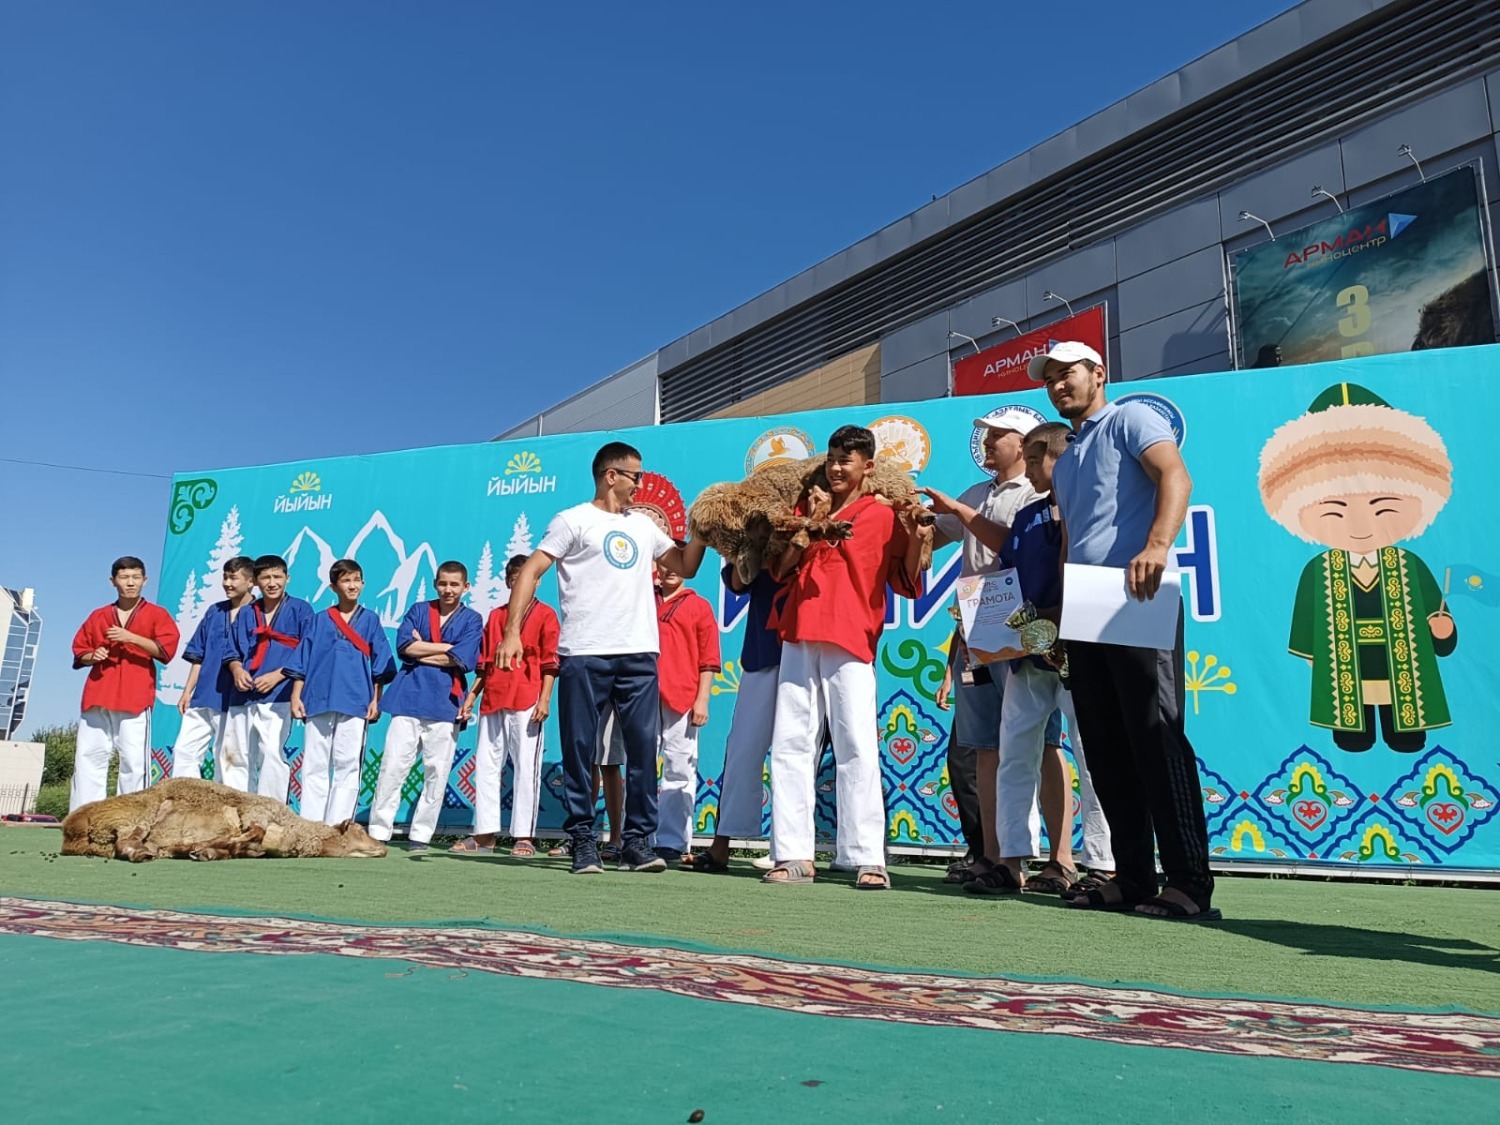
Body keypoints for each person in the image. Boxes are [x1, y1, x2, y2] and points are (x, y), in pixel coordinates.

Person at [1032, 340, 1219, 922]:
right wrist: (1061, 613)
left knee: (1154, 735)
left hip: (1137, 593)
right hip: (1086, 603)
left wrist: (1157, 546)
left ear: (1098, 372)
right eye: (1050, 378)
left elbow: (1175, 476)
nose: (1058, 385)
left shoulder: (1131, 417)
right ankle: (1133, 876)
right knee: (1104, 746)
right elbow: (1071, 541)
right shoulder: (1067, 459)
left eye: (1068, 373)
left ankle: (1189, 883)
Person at [499, 442, 706, 875]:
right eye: (636, 476)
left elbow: (685, 566)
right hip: (584, 652)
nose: (640, 485)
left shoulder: (644, 527)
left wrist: (703, 531)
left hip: (638, 654)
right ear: (612, 475)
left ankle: (637, 842)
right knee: (580, 748)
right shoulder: (572, 520)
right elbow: (531, 571)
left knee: (643, 750)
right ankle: (582, 839)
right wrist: (512, 632)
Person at [763, 425, 929, 890]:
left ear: (867, 467)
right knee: (791, 744)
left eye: (846, 460)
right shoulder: (807, 506)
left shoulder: (883, 513)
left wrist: (918, 537)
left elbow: (907, 581)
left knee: (856, 743)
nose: (836, 468)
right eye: (832, 458)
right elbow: (780, 571)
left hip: (851, 635)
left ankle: (865, 856)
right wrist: (809, 524)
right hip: (799, 630)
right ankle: (793, 854)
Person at [920, 407, 1041, 893]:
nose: (988, 444)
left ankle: (1048, 858)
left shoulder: (1035, 492)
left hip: (1023, 626)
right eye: (986, 436)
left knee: (1038, 744)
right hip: (977, 630)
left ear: (1023, 442)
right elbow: (932, 536)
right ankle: (992, 854)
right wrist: (911, 520)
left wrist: (956, 510)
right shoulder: (976, 493)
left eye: (997, 436)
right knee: (984, 745)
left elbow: (1014, 545)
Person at [990, 422, 1113, 895]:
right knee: (1015, 752)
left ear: (1059, 457)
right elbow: (1006, 579)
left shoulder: (1093, 508)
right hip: (1027, 655)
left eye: (1035, 460)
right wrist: (993, 622)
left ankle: (1103, 862)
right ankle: (1012, 858)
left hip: (1081, 652)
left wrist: (1060, 619)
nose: (1030, 470)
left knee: (1093, 753)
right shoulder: (1026, 517)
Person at [367, 561, 483, 850]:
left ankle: (420, 834)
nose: (448, 589)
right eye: (443, 583)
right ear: (435, 584)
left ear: (466, 587)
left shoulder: (472, 619)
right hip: (408, 697)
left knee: (437, 772)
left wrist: (424, 651)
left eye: (454, 584)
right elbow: (404, 647)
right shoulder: (419, 610)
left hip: (445, 702)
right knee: (392, 767)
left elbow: (464, 659)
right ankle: (378, 831)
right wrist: (447, 648)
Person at [456, 554, 560, 856]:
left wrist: (544, 699)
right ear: (508, 582)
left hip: (527, 697)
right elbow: (485, 664)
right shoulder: (497, 616)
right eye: (515, 579)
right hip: (494, 698)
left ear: (536, 582)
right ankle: (485, 834)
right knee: (486, 766)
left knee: (526, 766)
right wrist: (472, 697)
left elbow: (551, 663)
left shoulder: (546, 615)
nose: (520, 584)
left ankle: (524, 836)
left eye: (526, 579)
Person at [286, 558, 396, 825]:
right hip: (317, 698)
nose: (352, 585)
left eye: (356, 580)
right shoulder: (319, 620)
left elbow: (381, 664)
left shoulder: (370, 620)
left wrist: (376, 699)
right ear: (333, 587)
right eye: (346, 580)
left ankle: (338, 825)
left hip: (356, 699)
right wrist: (296, 695)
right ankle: (311, 824)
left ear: (363, 584)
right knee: (315, 763)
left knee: (348, 763)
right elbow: (302, 660)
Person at [691, 564, 784, 873]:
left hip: (812, 651)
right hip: (763, 651)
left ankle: (789, 848)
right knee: (742, 749)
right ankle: (721, 845)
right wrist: (753, 547)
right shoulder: (760, 535)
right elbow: (737, 581)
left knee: (799, 754)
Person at [69, 556, 180, 810]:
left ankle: (132, 816)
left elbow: (165, 651)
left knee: (133, 760)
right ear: (113, 581)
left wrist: (131, 637)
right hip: (98, 693)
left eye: (136, 577)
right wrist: (92, 655)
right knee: (89, 757)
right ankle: (84, 814)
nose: (130, 583)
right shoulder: (98, 615)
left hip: (135, 696)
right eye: (124, 577)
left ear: (145, 580)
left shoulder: (156, 614)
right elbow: (80, 650)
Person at [226, 554, 314, 802]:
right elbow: (231, 649)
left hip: (279, 694)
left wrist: (278, 675)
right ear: (255, 581)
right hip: (242, 695)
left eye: (277, 576)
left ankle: (271, 811)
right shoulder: (246, 613)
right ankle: (237, 809)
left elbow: (308, 650)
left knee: (271, 752)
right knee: (235, 754)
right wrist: (237, 669)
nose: (272, 583)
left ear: (287, 578)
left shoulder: (301, 610)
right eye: (266, 577)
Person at [652, 558, 721, 865]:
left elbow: (709, 659)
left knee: (679, 768)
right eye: (665, 563)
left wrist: (702, 700)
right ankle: (637, 835)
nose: (670, 569)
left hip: (682, 697)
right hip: (641, 695)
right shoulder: (642, 598)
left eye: (678, 563)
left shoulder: (699, 606)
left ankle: (672, 841)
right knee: (640, 766)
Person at [174, 555, 256, 782]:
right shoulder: (215, 611)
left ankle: (230, 803)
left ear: (251, 581)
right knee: (184, 751)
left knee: (229, 757)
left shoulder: (259, 614)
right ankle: (184, 800)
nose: (227, 583)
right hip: (203, 696)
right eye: (225, 577)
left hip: (236, 698)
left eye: (234, 578)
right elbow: (198, 655)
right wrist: (187, 691)